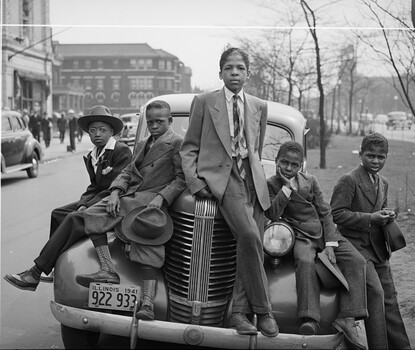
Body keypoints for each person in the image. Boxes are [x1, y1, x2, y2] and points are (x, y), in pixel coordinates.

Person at [179, 47, 278, 337]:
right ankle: (264, 311)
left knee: (249, 246)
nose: (234, 72)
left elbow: (256, 149)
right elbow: (189, 148)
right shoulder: (204, 101)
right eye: (228, 68)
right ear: (220, 72)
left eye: (240, 68)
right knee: (249, 236)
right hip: (224, 177)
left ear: (248, 73)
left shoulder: (259, 105)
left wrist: (256, 175)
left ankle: (238, 314)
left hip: (254, 181)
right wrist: (197, 183)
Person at [75, 100, 186, 320]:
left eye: (159, 122)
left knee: (147, 242)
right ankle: (107, 269)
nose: (154, 126)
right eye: (151, 121)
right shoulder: (144, 142)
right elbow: (128, 171)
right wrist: (115, 191)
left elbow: (181, 178)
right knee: (92, 213)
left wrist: (161, 198)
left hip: (151, 201)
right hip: (130, 196)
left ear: (170, 121)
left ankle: (147, 304)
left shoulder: (177, 143)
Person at [3, 105, 132, 291]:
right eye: (93, 130)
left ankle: (35, 272)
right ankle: (54, 265)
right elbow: (94, 186)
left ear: (112, 131)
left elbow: (117, 186)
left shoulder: (121, 151)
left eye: (103, 130)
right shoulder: (93, 154)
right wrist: (83, 203)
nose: (97, 134)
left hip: (114, 203)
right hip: (98, 199)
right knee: (58, 213)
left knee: (73, 218)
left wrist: (86, 206)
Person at [266, 141, 367, 349]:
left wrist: (330, 243)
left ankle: (347, 317)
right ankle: (309, 317)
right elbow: (272, 214)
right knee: (304, 261)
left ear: (300, 166)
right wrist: (285, 189)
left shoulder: (310, 180)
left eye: (294, 165)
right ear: (276, 162)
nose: (288, 168)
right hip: (300, 234)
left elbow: (325, 212)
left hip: (324, 232)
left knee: (357, 261)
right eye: (284, 163)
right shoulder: (271, 184)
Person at [330, 133, 411, 350]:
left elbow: (378, 209)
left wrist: (386, 215)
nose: (376, 161)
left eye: (381, 157)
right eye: (370, 156)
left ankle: (401, 346)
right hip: (354, 247)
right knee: (375, 293)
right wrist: (370, 218)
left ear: (386, 157)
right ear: (360, 154)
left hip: (377, 248)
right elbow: (336, 214)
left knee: (390, 298)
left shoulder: (382, 182)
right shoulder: (349, 180)